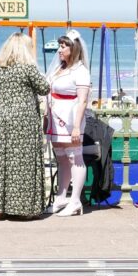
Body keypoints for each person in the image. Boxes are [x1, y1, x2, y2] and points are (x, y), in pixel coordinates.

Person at [0, 32, 50, 220]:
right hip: (24, 119)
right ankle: (25, 209)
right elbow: (44, 88)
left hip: (2, 118)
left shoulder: (0, 69)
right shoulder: (28, 68)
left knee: (3, 162)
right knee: (25, 163)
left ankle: (0, 208)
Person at [45, 29, 90, 217]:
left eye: (63, 47)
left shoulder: (80, 71)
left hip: (70, 118)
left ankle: (75, 200)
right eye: (59, 46)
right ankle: (61, 197)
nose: (59, 50)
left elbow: (83, 100)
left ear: (73, 48)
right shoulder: (59, 68)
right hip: (55, 117)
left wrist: (77, 126)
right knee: (61, 158)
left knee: (75, 157)